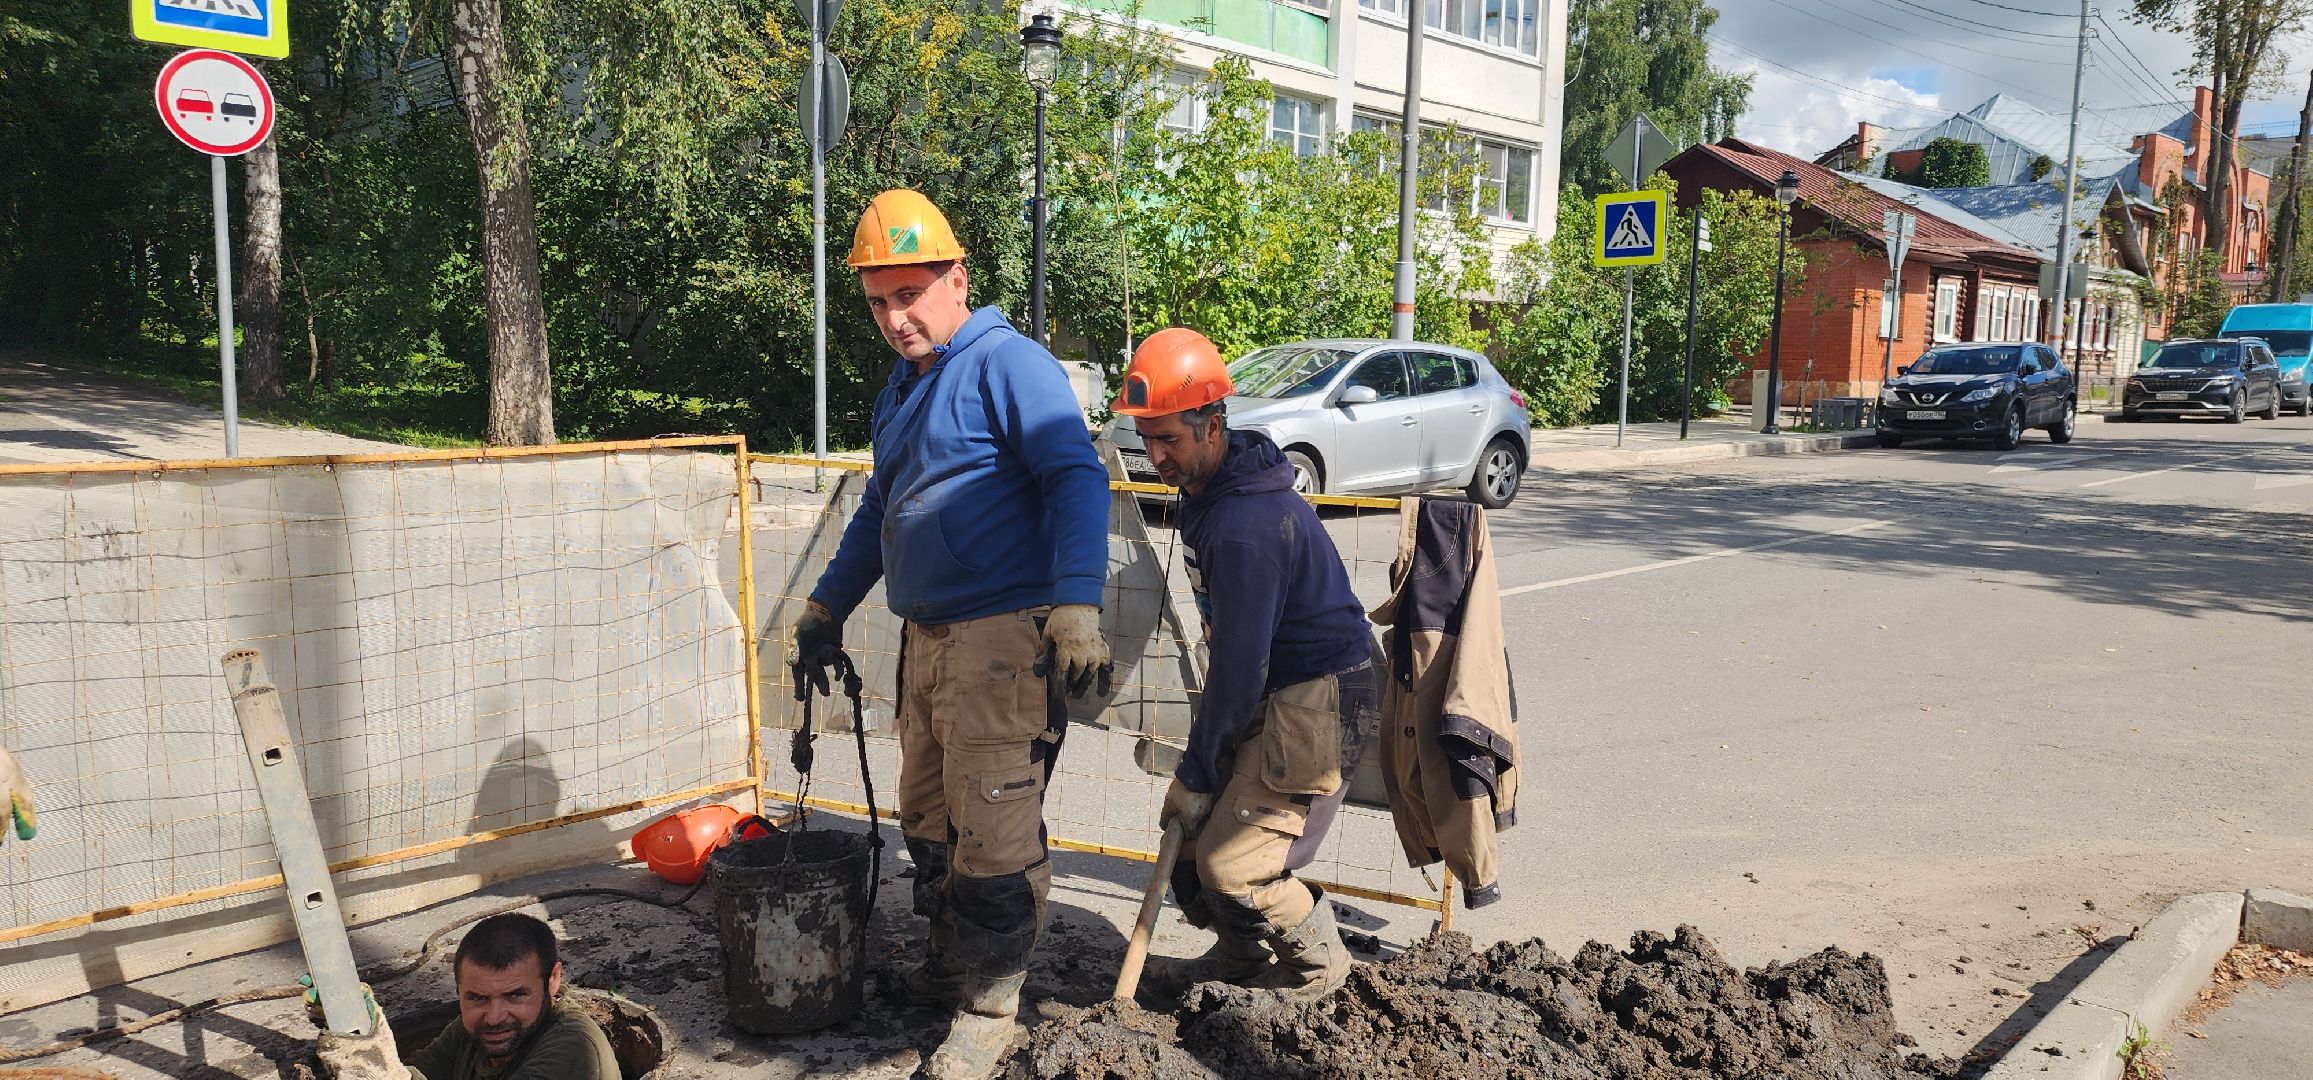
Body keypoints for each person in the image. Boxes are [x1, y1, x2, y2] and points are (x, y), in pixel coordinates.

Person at [788, 188, 1112, 1080]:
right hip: (925, 641)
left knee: (995, 826)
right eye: (878, 303)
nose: (895, 318)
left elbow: (1075, 480)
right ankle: (948, 963)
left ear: (956, 278)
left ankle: (990, 1006)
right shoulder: (904, 389)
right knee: (928, 817)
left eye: (910, 295)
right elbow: (879, 513)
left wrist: (1075, 601)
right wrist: (825, 607)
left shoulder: (1010, 365)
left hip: (1000, 641)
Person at [1119, 328, 1380, 1003]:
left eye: (1169, 439)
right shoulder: (1215, 487)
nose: (1154, 456)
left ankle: (1319, 971)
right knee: (1198, 842)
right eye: (1145, 438)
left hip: (1321, 695)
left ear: (1212, 425)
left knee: (1236, 865)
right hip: (1278, 681)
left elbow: (1239, 665)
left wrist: (1197, 771)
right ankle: (1238, 957)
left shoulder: (1244, 526)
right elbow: (1240, 657)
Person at [313, 913, 617, 1080]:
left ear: (552, 980)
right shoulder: (473, 1030)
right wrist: (357, 1024)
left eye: (515, 995)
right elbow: (420, 1071)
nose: (495, 1017)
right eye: (477, 998)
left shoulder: (574, 1048)